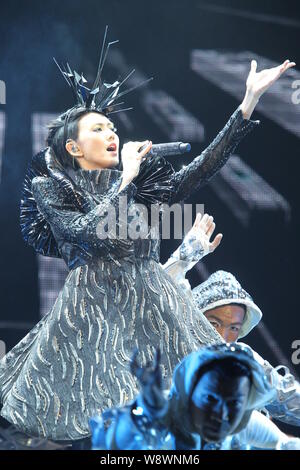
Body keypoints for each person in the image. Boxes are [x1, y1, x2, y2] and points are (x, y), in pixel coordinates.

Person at [0, 24, 294, 442]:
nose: (111, 134)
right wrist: (127, 180)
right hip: (94, 314)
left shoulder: (136, 183)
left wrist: (247, 103)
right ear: (73, 148)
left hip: (153, 302)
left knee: (229, 372)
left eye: (112, 128)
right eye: (98, 129)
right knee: (100, 417)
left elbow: (200, 171)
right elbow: (88, 234)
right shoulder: (53, 187)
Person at [163, 217, 300, 427]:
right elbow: (159, 292)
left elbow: (290, 400)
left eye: (233, 328)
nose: (222, 337)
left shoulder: (243, 361)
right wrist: (186, 254)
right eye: (214, 324)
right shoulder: (172, 340)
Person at [91, 344, 300, 450]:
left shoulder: (246, 423)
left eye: (234, 402)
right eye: (210, 399)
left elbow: (283, 443)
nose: (221, 414)